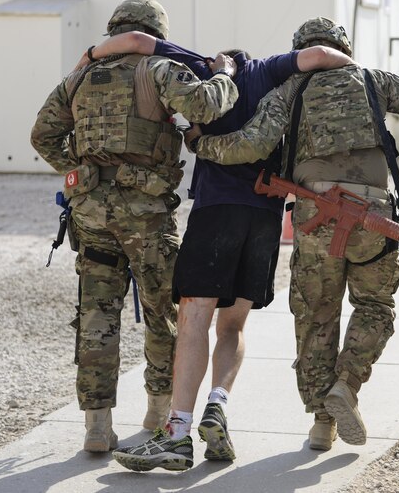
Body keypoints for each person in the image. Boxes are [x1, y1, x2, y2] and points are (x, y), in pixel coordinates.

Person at [80, 29, 354, 471]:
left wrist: (88, 56)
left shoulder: (202, 66)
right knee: (233, 327)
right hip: (265, 218)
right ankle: (217, 405)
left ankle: (177, 434)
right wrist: (361, 75)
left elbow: (133, 38)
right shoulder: (272, 70)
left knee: (194, 320)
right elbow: (323, 54)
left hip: (216, 212)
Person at [190, 17, 399, 451]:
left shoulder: (290, 91)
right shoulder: (373, 80)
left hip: (315, 218)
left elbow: (249, 146)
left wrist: (200, 143)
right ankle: (347, 383)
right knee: (374, 306)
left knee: (315, 316)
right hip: (373, 217)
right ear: (343, 47)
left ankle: (321, 424)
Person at [30, 0, 241, 453]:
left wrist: (79, 172)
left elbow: (42, 133)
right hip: (145, 213)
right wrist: (226, 74)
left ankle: (97, 426)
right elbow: (205, 106)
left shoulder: (80, 77)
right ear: (156, 33)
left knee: (96, 316)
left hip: (90, 213)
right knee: (164, 312)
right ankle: (158, 410)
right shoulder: (159, 69)